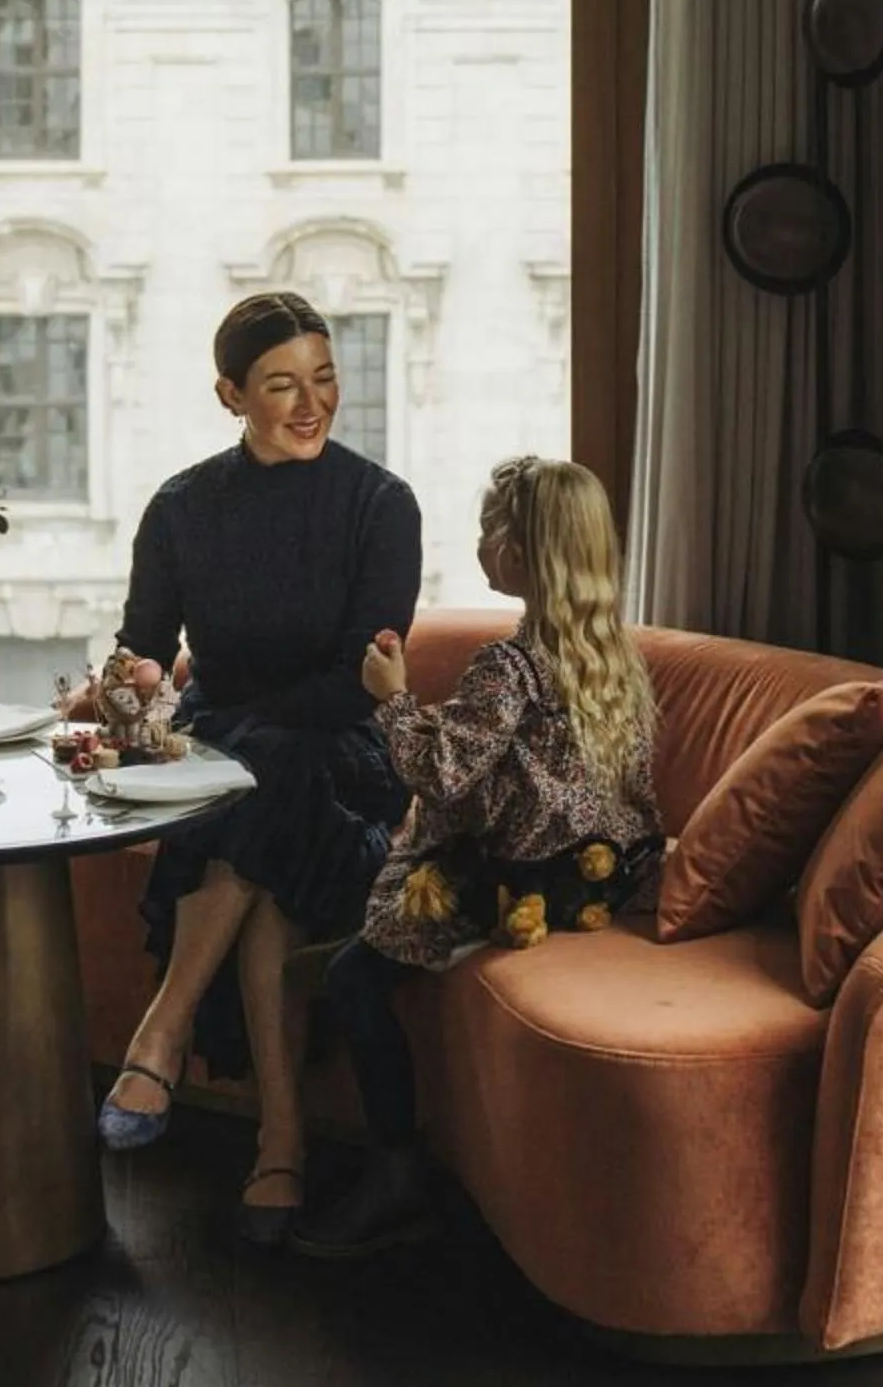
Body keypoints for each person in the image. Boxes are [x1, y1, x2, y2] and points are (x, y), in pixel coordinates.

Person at [98, 291, 422, 1249]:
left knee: (267, 777)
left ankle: (162, 1035)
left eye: (324, 377)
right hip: (230, 755)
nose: (311, 401)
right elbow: (144, 649)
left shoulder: (380, 503)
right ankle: (280, 1148)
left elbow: (358, 684)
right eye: (282, 384)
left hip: (344, 749)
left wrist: (233, 741)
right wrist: (125, 690)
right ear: (230, 394)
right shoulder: (183, 506)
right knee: (267, 835)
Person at [290, 455, 661, 1259]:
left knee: (352, 976)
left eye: (495, 527)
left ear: (528, 554)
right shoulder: (610, 654)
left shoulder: (510, 666)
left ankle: (396, 1178)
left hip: (518, 882)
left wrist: (389, 695)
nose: (483, 540)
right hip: (593, 873)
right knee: (360, 939)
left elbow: (439, 771)